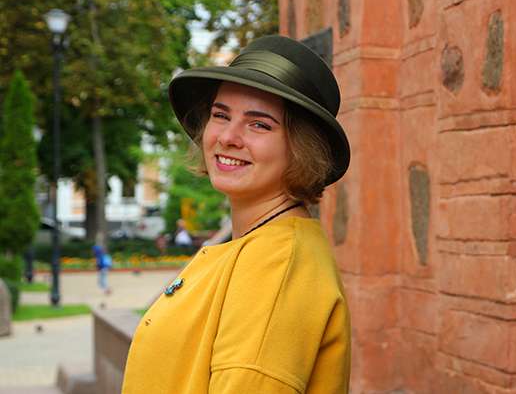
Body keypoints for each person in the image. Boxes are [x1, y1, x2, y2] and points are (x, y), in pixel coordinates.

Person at [122, 35, 351, 393]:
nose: (228, 136)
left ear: (301, 148)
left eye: (259, 124)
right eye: (220, 115)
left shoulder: (276, 267)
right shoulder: (259, 246)